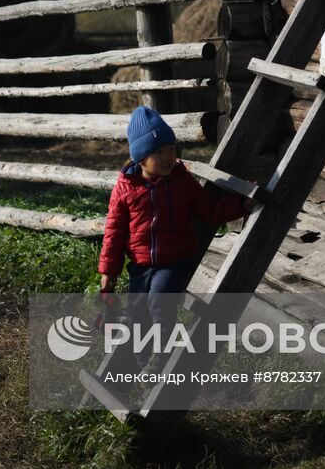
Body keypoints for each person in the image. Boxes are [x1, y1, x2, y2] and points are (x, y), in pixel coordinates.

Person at [98, 106, 252, 367]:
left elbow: (210, 209)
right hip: (140, 265)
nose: (168, 156)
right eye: (159, 152)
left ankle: (161, 354)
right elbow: (113, 233)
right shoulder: (125, 189)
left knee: (160, 301)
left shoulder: (182, 181)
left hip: (173, 262)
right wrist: (108, 271)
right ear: (141, 158)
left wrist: (242, 205)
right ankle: (141, 360)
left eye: (171, 149)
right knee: (136, 311)